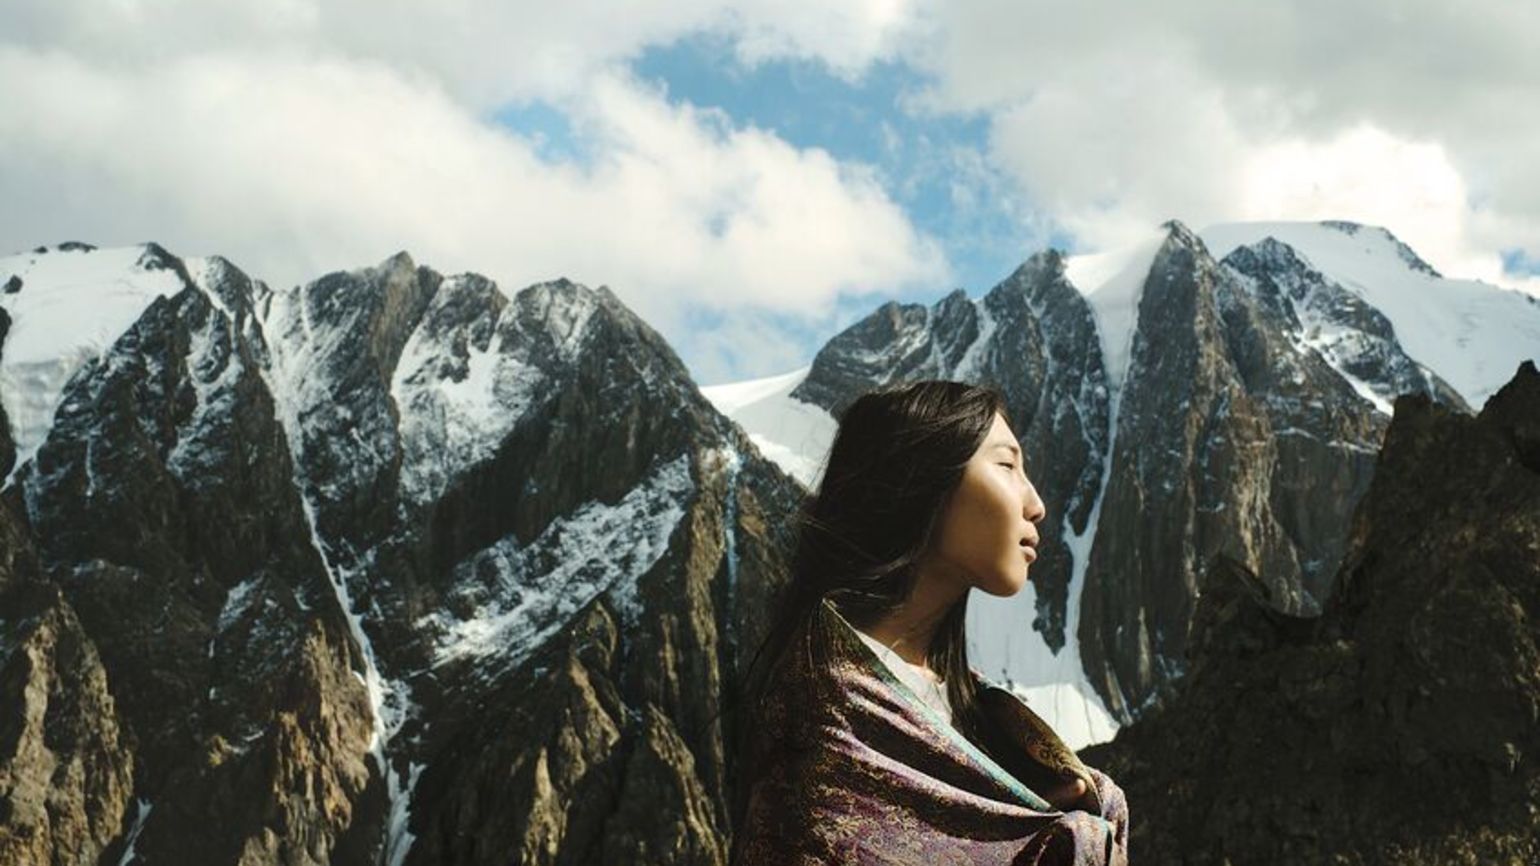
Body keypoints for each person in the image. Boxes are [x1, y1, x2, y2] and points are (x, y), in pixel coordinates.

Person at [730, 380, 1129, 865]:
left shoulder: (971, 710)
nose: (1036, 504)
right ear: (922, 481)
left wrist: (1028, 814)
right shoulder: (830, 719)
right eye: (1007, 466)